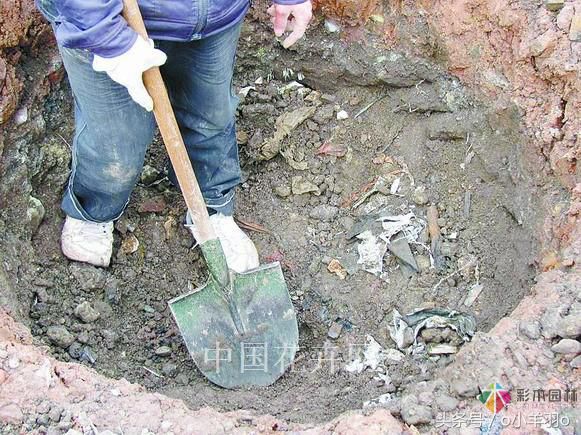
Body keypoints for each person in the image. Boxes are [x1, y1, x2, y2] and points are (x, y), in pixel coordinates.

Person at [34, 0, 313, 272]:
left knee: (210, 118)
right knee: (117, 142)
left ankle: (211, 206)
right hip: (105, 19)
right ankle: (95, 208)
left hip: (216, 14)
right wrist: (107, 37)